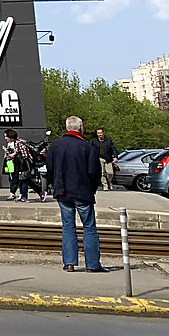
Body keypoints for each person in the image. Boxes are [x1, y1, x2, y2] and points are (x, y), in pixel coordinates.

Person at [46, 115, 105, 272]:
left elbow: (49, 168)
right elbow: (94, 172)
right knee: (89, 227)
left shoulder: (55, 145)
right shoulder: (88, 147)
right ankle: (92, 265)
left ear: (67, 127)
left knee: (68, 226)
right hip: (82, 192)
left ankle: (69, 263)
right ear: (81, 128)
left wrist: (55, 185)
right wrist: (91, 189)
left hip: (62, 191)